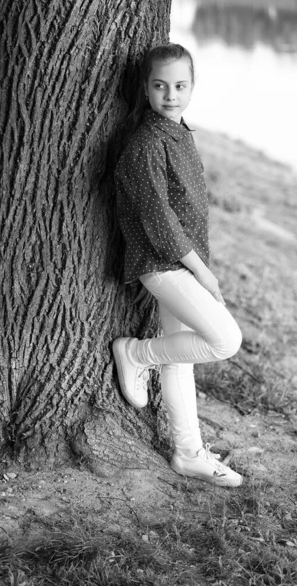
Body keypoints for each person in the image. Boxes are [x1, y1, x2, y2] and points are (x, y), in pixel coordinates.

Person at [113, 43, 243, 488]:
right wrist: (204, 273)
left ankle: (187, 453)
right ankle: (135, 353)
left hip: (185, 261)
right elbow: (159, 219)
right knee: (225, 340)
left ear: (192, 86)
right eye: (160, 85)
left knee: (180, 359)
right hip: (163, 263)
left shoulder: (178, 131)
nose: (171, 94)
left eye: (180, 85)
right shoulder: (147, 142)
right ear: (146, 89)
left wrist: (201, 265)